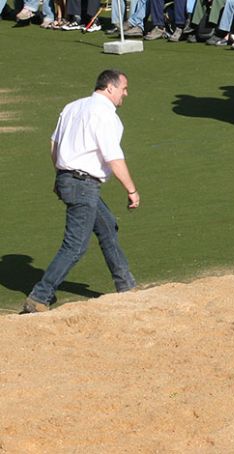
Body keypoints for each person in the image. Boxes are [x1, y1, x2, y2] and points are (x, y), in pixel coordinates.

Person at [24, 70, 140, 314]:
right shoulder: (106, 115)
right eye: (124, 89)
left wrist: (60, 175)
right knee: (75, 246)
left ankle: (126, 285)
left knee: (107, 227)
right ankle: (39, 296)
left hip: (69, 179)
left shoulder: (73, 107)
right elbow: (113, 157)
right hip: (83, 185)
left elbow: (54, 143)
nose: (125, 94)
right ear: (110, 88)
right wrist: (131, 189)